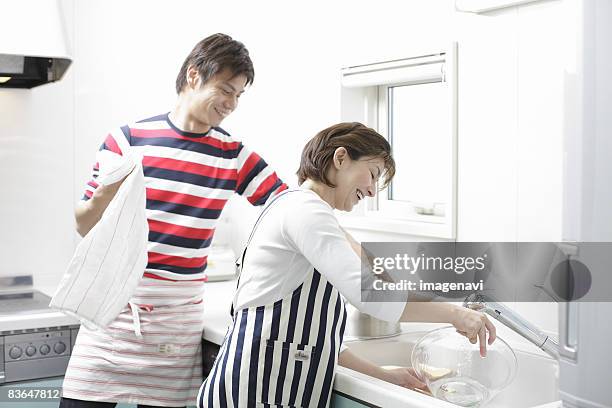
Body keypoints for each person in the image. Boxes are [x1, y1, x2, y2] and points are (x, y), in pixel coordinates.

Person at [59, 33, 287, 408]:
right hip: (112, 314)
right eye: (226, 90)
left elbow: (288, 207)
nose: (231, 104)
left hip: (175, 325)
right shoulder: (128, 141)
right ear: (194, 76)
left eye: (239, 96)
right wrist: (104, 194)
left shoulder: (234, 156)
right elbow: (84, 225)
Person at [197, 122, 496, 407]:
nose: (371, 192)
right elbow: (372, 295)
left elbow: (318, 340)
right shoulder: (305, 211)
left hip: (266, 389)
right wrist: (454, 315)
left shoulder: (307, 212)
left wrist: (383, 375)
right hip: (252, 391)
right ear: (341, 157)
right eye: (373, 173)